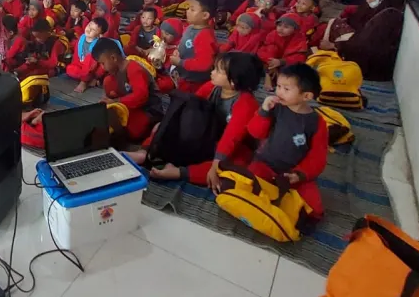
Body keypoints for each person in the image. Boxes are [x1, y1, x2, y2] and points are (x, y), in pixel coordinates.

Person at [126, 52, 263, 184]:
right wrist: (166, 125)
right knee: (169, 123)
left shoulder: (246, 103)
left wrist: (216, 164)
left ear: (233, 81)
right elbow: (189, 108)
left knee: (234, 165)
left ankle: (180, 172)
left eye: (218, 70)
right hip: (207, 133)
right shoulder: (212, 87)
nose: (212, 72)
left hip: (232, 144)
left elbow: (231, 137)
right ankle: (145, 152)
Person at [248, 64, 329, 220]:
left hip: (294, 172)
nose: (279, 92)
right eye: (278, 86)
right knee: (249, 182)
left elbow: (318, 156)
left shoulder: (316, 123)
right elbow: (255, 132)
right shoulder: (275, 108)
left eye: (286, 89)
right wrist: (263, 111)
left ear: (306, 96)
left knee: (314, 209)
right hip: (265, 163)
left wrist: (299, 174)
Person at [319, 0, 405, 81]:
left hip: (370, 68)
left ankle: (326, 53)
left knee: (336, 27)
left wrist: (334, 45)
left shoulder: (388, 16)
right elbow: (358, 23)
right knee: (335, 24)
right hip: (368, 61)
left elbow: (365, 46)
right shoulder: (384, 12)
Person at [93, 37, 156, 143]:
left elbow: (141, 96)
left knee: (120, 130)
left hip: (148, 110)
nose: (102, 67)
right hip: (131, 107)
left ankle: (122, 138)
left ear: (113, 58)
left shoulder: (133, 68)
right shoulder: (116, 72)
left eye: (102, 63)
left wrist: (117, 101)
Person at [169, 0, 220, 93]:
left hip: (195, 82)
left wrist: (180, 62)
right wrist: (178, 51)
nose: (187, 11)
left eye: (192, 10)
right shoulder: (190, 27)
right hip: (184, 76)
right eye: (188, 8)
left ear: (205, 15)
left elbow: (204, 64)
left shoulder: (205, 36)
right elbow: (185, 44)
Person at [258, 13, 310, 86]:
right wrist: (271, 63)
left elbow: (299, 58)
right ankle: (268, 76)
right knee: (270, 50)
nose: (281, 29)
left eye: (286, 27)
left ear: (295, 29)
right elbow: (263, 51)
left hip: (286, 65)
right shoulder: (273, 34)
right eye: (279, 25)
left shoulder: (299, 40)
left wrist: (281, 62)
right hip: (271, 63)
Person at [67, 18, 107, 92]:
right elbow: (76, 57)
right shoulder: (81, 38)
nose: (89, 29)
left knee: (89, 57)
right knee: (69, 69)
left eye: (93, 30)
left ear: (99, 35)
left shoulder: (98, 44)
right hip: (81, 67)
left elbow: (102, 65)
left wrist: (97, 77)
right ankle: (88, 78)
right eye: (89, 26)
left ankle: (84, 82)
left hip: (93, 70)